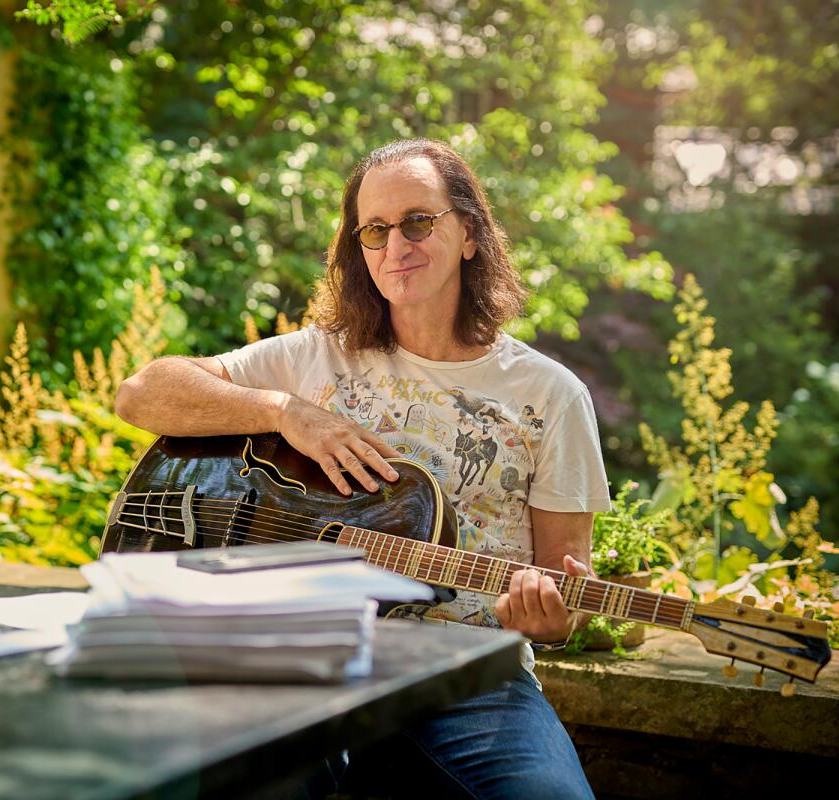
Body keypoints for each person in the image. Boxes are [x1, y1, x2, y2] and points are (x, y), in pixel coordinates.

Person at [115, 138, 609, 798]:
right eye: (374, 230)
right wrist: (286, 412)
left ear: (469, 234)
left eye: (418, 221)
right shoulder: (318, 356)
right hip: (297, 656)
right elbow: (142, 392)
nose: (395, 245)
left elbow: (568, 582)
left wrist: (552, 618)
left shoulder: (551, 395)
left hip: (465, 675)